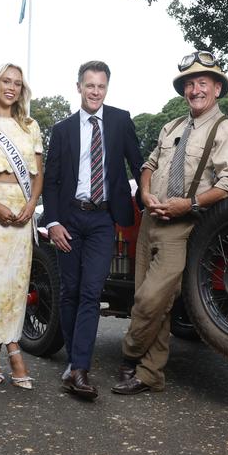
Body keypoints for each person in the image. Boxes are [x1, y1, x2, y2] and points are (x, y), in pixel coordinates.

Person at [111, 51, 228, 395]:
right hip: (149, 223)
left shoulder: (225, 130)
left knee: (150, 300)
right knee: (152, 302)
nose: (195, 89)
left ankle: (129, 355)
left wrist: (188, 204)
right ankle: (150, 374)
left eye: (203, 82)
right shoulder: (171, 126)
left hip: (183, 227)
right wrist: (144, 194)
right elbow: (149, 164)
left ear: (217, 88)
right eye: (189, 84)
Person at [43, 60, 143, 400]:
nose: (95, 91)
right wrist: (53, 222)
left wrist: (146, 201)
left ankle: (80, 369)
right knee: (70, 292)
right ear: (79, 87)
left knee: (91, 292)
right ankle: (75, 362)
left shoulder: (120, 120)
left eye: (101, 86)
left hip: (103, 219)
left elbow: (138, 163)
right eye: (90, 85)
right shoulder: (62, 129)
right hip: (69, 218)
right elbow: (52, 181)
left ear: (106, 88)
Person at [0, 63, 43, 390]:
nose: (11, 87)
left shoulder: (30, 126)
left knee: (15, 286)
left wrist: (31, 204)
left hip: (23, 208)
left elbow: (38, 174)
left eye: (17, 82)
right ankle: (10, 351)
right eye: (5, 81)